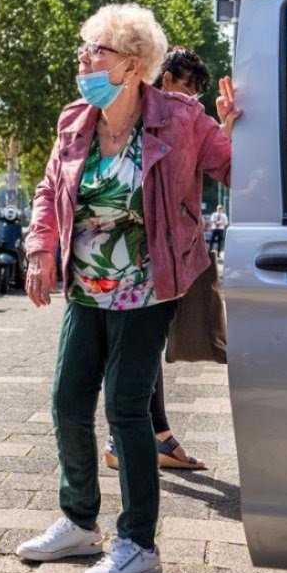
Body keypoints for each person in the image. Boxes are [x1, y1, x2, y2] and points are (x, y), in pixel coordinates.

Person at [16, 5, 239, 573]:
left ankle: (138, 542)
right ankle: (78, 521)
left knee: (126, 408)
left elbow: (236, 171)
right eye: (84, 48)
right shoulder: (75, 120)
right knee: (67, 402)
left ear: (134, 65)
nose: (84, 59)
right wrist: (39, 249)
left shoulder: (181, 119)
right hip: (87, 287)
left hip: (149, 285)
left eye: (97, 50)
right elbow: (48, 189)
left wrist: (236, 131)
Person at [99, 45, 214, 473]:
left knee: (142, 346)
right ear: (164, 78)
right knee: (131, 347)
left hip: (160, 253)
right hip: (125, 254)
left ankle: (156, 434)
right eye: (186, 86)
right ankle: (132, 439)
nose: (191, 97)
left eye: (196, 92)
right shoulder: (132, 114)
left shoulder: (183, 122)